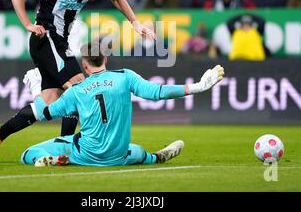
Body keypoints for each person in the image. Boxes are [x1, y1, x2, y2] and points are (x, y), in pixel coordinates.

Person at [0, 0, 156, 163]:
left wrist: (135, 22)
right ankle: (65, 147)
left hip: (60, 42)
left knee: (50, 103)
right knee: (80, 89)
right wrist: (27, 24)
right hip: (46, 38)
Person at [19, 43, 225, 166]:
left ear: (84, 65)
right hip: (118, 154)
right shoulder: (125, 77)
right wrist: (197, 87)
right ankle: (156, 158)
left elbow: (45, 113)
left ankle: (58, 159)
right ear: (105, 59)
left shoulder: (77, 90)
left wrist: (36, 89)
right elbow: (157, 93)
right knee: (138, 152)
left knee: (27, 154)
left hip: (86, 154)